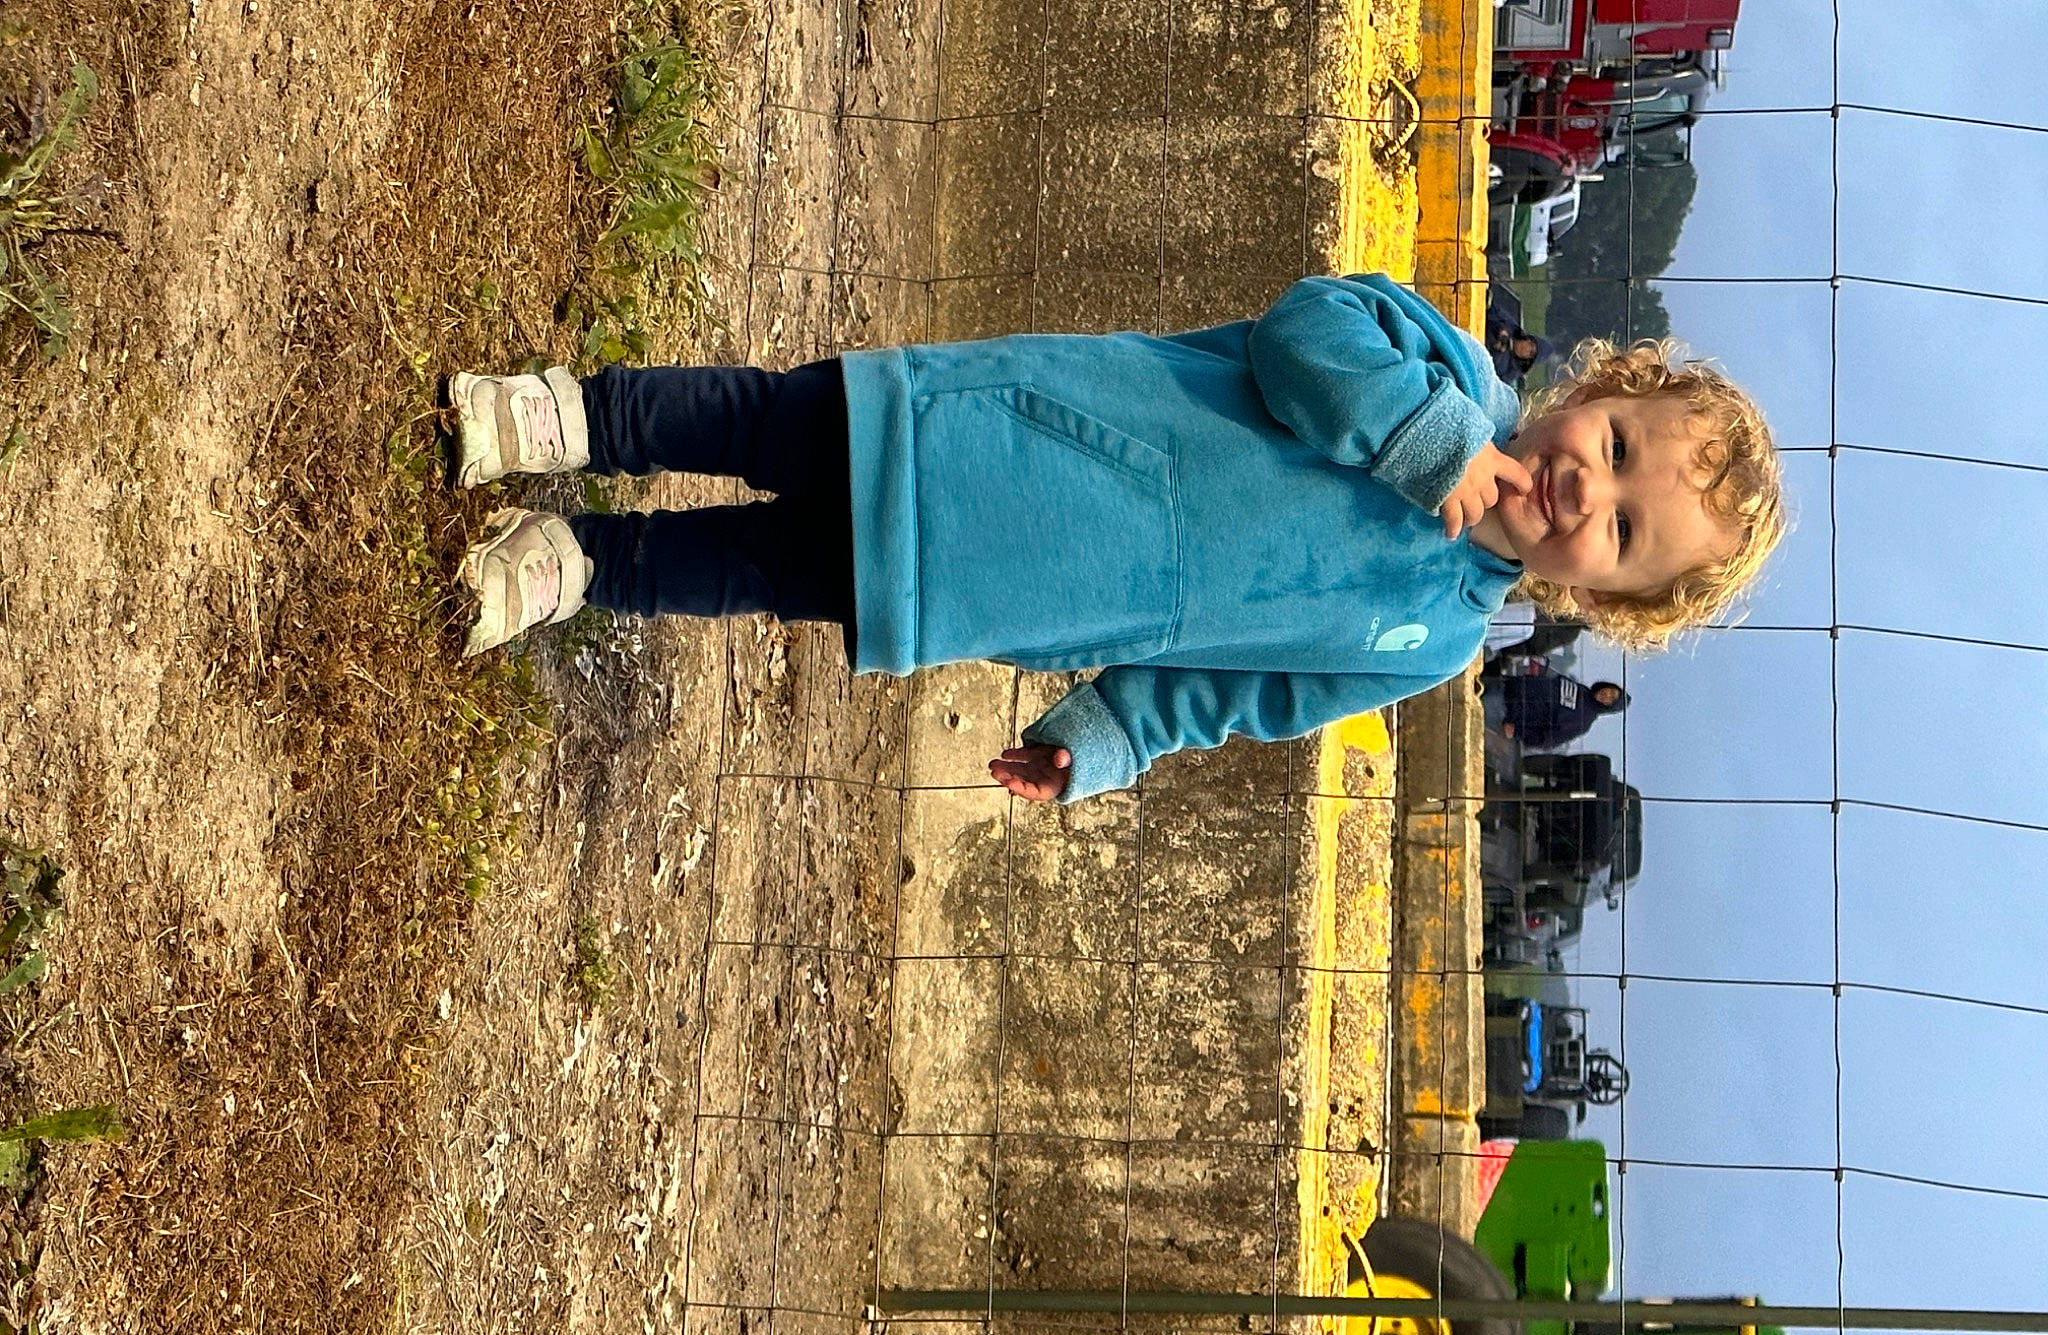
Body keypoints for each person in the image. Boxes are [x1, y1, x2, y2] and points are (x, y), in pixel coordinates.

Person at [445, 273, 1784, 802]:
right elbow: (1302, 331)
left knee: (759, 572)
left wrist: (1110, 736)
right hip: (1001, 433)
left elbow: (1239, 692)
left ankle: (579, 566)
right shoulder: (1441, 373)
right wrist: (1427, 441)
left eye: (1619, 535)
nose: (1582, 495)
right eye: (1612, 453)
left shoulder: (1431, 641)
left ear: (1603, 600)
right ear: (1600, 390)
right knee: (756, 422)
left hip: (994, 588)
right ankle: (567, 420)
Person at [1493, 659, 1630, 751]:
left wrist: (1517, 732)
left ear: (1608, 707)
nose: (1606, 694)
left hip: (1505, 710)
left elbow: (1549, 740)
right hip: (1505, 684)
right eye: (1611, 691)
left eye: (1611, 699)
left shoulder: (1584, 720)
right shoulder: (1582, 690)